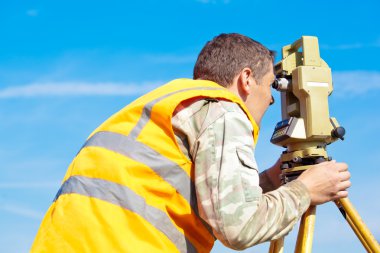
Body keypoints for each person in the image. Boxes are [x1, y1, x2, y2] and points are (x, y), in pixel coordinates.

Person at [31, 33, 351, 252]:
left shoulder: (167, 106)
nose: (270, 100)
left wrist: (268, 180)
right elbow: (239, 228)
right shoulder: (223, 109)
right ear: (246, 78)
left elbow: (176, 193)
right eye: (270, 89)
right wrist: (305, 190)